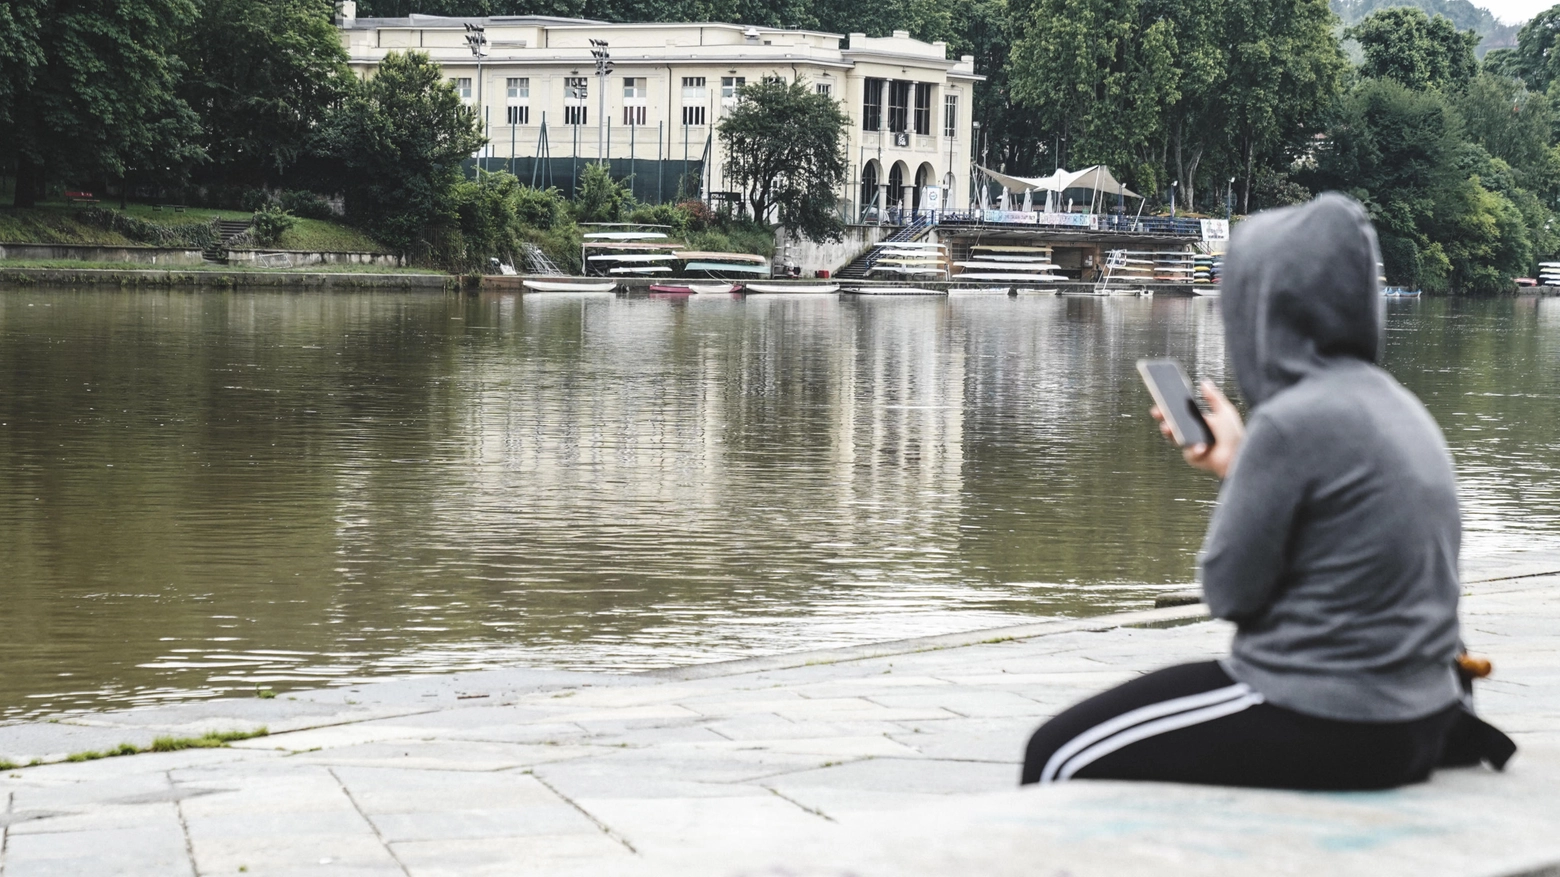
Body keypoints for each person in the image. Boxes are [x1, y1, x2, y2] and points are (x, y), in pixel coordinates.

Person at [1020, 193, 1514, 790]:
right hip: (1419, 715)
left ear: (1260, 312)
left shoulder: (1291, 423)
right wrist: (1241, 464)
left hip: (1330, 717)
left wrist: (1252, 458)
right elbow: (1339, 536)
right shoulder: (1396, 405)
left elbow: (1230, 592)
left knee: (1055, 754)